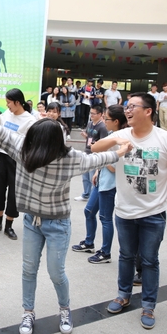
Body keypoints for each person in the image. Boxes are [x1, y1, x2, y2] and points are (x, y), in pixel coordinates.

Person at [0, 118, 130, 334]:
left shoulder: (69, 159)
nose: (28, 141)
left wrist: (120, 152)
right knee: (28, 270)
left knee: (56, 272)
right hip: (31, 221)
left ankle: (65, 309)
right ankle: (28, 311)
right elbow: (4, 134)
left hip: (58, 224)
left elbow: (97, 159)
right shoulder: (24, 150)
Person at [91, 92, 167, 330]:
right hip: (124, 211)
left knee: (149, 260)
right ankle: (123, 295)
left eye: (132, 106)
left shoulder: (166, 139)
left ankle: (148, 305)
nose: (127, 110)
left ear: (148, 111)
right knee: (126, 256)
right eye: (126, 106)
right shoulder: (122, 135)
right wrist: (117, 142)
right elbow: (95, 147)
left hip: (153, 213)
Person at [72, 105, 128, 264]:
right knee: (89, 211)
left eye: (107, 118)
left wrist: (103, 160)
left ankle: (105, 252)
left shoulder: (122, 139)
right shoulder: (111, 135)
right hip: (101, 180)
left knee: (105, 218)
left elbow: (116, 167)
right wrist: (98, 170)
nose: (104, 121)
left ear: (116, 121)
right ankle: (89, 242)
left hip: (110, 185)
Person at [0, 89, 36, 240]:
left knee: (14, 193)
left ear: (17, 102)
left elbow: (30, 142)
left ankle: (9, 225)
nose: (7, 105)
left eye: (9, 102)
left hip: (17, 159)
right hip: (2, 155)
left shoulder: (30, 120)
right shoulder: (8, 114)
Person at [74, 105, 107, 202]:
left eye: (93, 113)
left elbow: (104, 141)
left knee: (92, 176)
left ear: (100, 114)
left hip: (95, 154)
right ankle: (86, 194)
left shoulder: (102, 127)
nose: (91, 115)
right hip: (87, 151)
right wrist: (85, 136)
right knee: (85, 175)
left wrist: (96, 145)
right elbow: (89, 137)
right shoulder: (89, 124)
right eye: (90, 113)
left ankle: (92, 197)